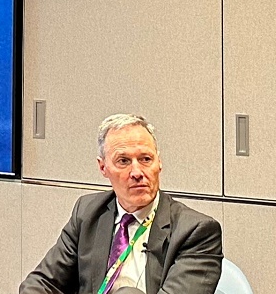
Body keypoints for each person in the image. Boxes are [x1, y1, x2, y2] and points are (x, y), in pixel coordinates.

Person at [19, 114, 223, 294]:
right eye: (123, 161)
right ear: (103, 167)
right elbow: (42, 282)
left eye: (145, 159)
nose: (137, 172)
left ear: (159, 163)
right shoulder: (87, 212)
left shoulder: (196, 231)